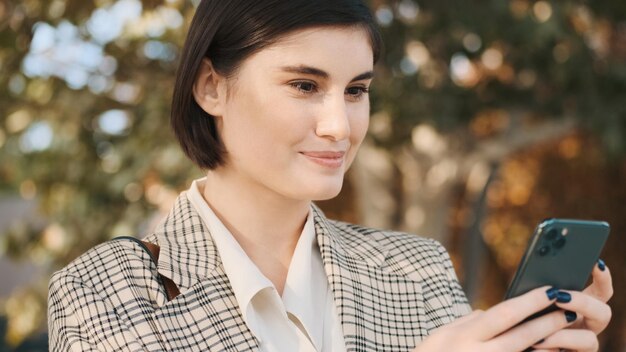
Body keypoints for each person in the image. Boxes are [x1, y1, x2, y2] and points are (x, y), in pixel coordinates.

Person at [47, 0, 613, 351]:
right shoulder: (104, 292)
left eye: (357, 90)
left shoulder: (418, 271)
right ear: (211, 87)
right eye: (304, 86)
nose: (340, 126)